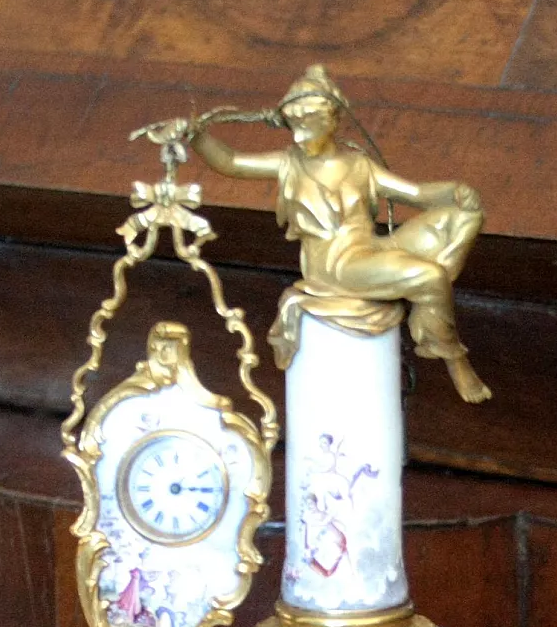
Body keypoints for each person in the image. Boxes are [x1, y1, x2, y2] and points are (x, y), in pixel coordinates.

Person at [189, 65, 491, 404]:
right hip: (336, 266)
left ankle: (428, 304)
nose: (300, 135)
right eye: (296, 124)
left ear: (332, 120)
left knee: (463, 215)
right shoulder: (289, 163)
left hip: (372, 249)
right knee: (431, 276)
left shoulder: (358, 164)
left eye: (309, 124)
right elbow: (231, 162)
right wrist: (196, 136)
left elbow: (417, 194)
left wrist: (455, 190)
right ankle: (455, 359)